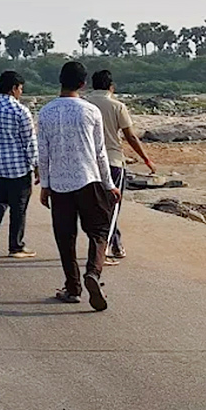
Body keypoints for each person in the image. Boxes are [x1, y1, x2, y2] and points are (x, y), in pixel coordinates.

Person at [37, 61, 119, 311]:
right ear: (83, 84)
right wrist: (110, 183)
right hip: (88, 179)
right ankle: (93, 272)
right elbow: (100, 152)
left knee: (65, 236)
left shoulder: (46, 112)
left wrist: (45, 185)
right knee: (99, 230)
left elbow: (43, 153)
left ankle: (72, 287)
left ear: (60, 81)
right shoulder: (90, 111)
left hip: (60, 183)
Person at [85, 69, 156, 263]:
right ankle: (105, 249)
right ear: (111, 87)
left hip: (88, 162)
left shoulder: (84, 104)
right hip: (113, 161)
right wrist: (146, 159)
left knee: (96, 207)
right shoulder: (117, 106)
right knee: (112, 206)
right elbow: (130, 136)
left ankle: (114, 244)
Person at [0, 70, 40, 258]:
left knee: (0, 198)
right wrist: (36, 165)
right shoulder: (19, 110)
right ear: (14, 88)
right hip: (17, 165)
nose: (21, 92)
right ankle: (16, 246)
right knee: (19, 205)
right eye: (20, 89)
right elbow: (29, 141)